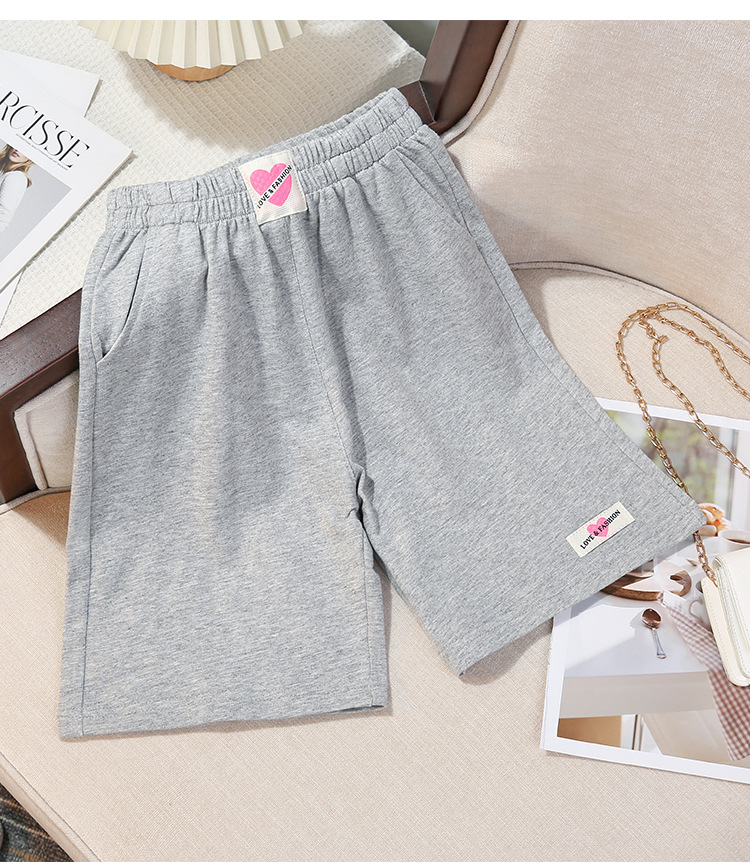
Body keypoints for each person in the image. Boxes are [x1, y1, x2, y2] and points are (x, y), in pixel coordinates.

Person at [0, 145, 33, 232]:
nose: (18, 150)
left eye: (25, 150)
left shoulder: (16, 177)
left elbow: (4, 215)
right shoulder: (9, 175)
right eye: (17, 145)